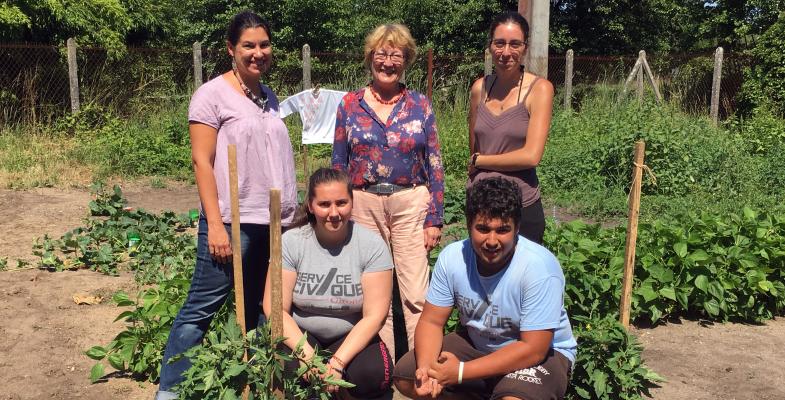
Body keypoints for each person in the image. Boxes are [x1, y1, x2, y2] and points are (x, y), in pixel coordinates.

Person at [155, 11, 297, 400]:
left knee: (254, 307)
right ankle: (170, 390)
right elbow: (202, 161)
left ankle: (246, 379)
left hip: (270, 221)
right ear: (231, 49)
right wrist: (214, 225)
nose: (258, 53)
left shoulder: (268, 96)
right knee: (202, 305)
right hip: (232, 220)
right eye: (248, 45)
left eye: (264, 44)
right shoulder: (211, 95)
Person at [393, 177, 577, 400]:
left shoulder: (539, 267)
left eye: (502, 230)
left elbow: (533, 349)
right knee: (407, 377)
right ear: (469, 225)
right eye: (482, 228)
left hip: (541, 353)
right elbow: (432, 321)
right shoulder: (452, 258)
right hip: (479, 344)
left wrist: (460, 372)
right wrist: (428, 371)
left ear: (517, 227)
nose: (491, 241)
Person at [332, 23, 445, 359]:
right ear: (370, 57)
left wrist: (434, 218)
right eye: (381, 53)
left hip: (411, 202)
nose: (387, 61)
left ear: (406, 60)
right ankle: (383, 372)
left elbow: (435, 163)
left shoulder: (420, 105)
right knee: (374, 292)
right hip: (363, 205)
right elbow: (339, 163)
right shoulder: (350, 104)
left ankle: (419, 369)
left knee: (415, 293)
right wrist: (341, 208)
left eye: (396, 55)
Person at [263, 168, 394, 399]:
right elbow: (275, 309)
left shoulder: (372, 246)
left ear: (352, 202)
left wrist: (337, 362)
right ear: (311, 206)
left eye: (341, 202)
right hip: (301, 334)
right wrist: (309, 358)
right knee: (292, 371)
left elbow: (375, 316)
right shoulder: (292, 242)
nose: (334, 212)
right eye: (324, 204)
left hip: (350, 335)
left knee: (373, 373)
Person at [467, 11, 555, 245]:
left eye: (515, 44)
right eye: (500, 43)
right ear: (490, 46)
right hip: (481, 206)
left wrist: (481, 161)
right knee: (481, 278)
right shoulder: (480, 89)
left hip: (521, 207)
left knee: (522, 278)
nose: (506, 52)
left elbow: (531, 156)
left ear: (525, 48)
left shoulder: (540, 90)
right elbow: (474, 145)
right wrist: (476, 164)